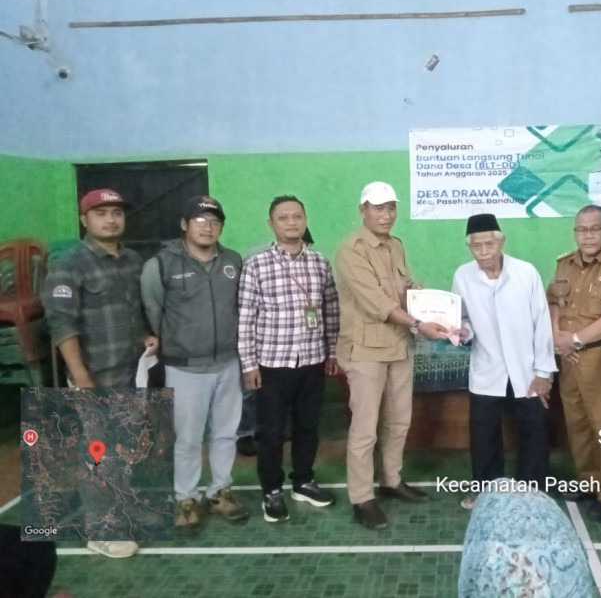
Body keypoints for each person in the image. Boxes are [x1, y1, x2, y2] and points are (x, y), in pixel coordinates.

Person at [41, 188, 158, 559]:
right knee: (96, 450)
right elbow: (61, 325)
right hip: (93, 375)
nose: (111, 220)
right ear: (84, 220)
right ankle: (100, 528)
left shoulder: (132, 260)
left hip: (130, 371)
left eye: (116, 213)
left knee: (123, 446)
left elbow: (134, 311)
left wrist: (146, 336)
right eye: (101, 213)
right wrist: (81, 376)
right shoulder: (69, 265)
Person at [334, 182, 447, 530]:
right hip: (366, 350)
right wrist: (419, 323)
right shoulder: (351, 249)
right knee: (365, 429)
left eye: (391, 208)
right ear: (363, 210)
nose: (386, 215)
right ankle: (361, 498)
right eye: (378, 208)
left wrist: (422, 297)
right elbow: (377, 303)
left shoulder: (395, 245)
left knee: (399, 420)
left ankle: (392, 480)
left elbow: (403, 287)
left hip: (399, 345)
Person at [141, 195, 248, 530]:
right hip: (184, 367)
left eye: (215, 221)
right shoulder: (161, 265)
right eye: (200, 220)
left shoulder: (233, 260)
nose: (208, 227)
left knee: (226, 434)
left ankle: (219, 492)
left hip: (228, 363)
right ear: (184, 224)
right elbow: (153, 309)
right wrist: (175, 342)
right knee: (188, 439)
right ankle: (185, 497)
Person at [237, 195, 339, 522]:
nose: (291, 222)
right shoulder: (256, 264)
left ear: (306, 220)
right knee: (271, 432)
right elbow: (245, 318)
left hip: (312, 361)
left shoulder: (320, 263)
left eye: (297, 216)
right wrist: (249, 364)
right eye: (283, 218)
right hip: (271, 363)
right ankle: (271, 490)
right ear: (271, 224)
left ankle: (303, 481)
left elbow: (330, 310)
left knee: (308, 427)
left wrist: (332, 351)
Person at [452, 214, 557, 509]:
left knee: (534, 430)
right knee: (483, 433)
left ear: (502, 242)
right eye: (477, 246)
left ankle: (532, 491)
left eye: (489, 244)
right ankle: (487, 492)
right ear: (469, 247)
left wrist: (543, 372)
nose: (484, 251)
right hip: (487, 369)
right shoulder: (463, 276)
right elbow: (463, 319)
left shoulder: (526, 273)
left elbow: (542, 324)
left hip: (528, 370)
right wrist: (463, 332)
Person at [548, 205, 601, 520]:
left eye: (595, 229)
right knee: (578, 424)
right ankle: (589, 480)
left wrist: (575, 339)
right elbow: (553, 303)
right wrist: (558, 336)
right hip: (568, 357)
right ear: (575, 233)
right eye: (582, 229)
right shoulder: (563, 264)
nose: (588, 235)